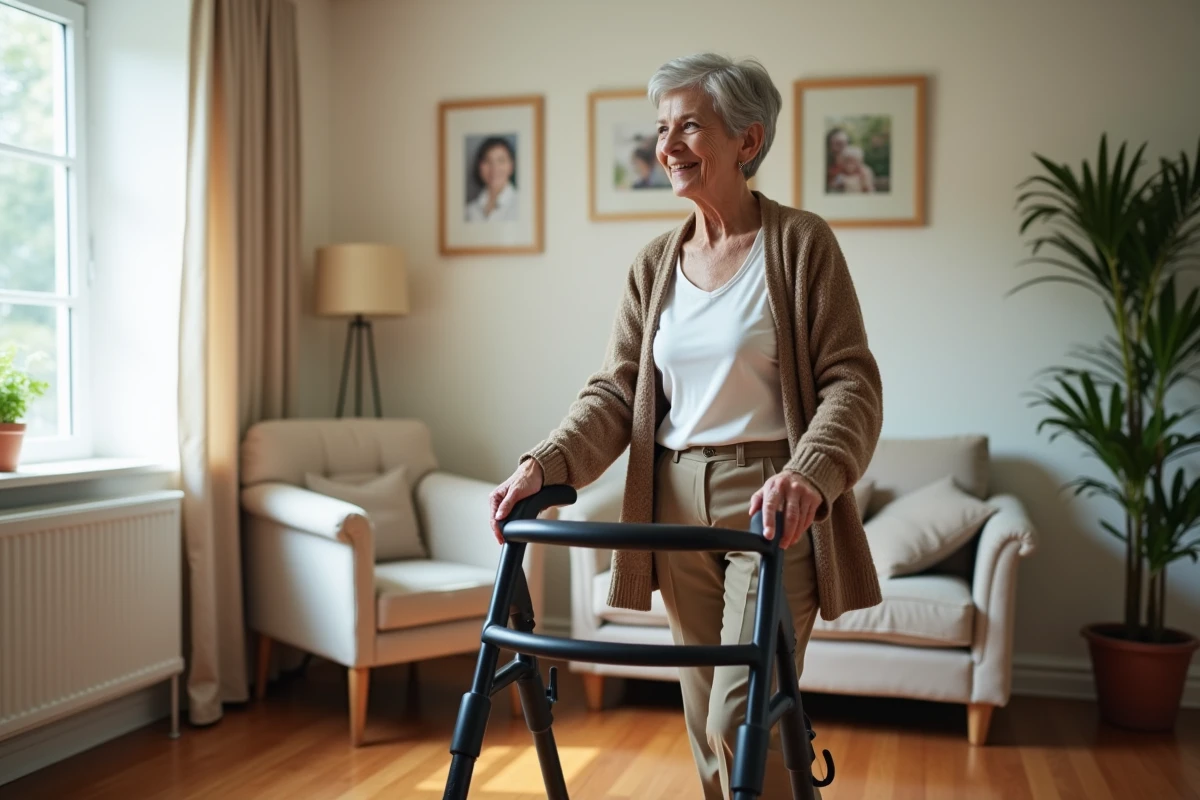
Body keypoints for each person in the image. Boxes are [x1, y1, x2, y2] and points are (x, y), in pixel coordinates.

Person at [490, 52, 883, 800]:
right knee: (707, 717)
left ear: (746, 139)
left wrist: (810, 472)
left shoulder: (800, 246)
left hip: (774, 498)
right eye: (661, 128)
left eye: (689, 126)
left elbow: (852, 385)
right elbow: (616, 394)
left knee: (740, 714)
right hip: (671, 501)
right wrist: (543, 466)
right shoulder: (654, 265)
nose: (667, 145)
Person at [465, 136, 519, 222]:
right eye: (487, 161)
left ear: (511, 166)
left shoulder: (522, 205)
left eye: (501, 160)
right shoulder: (468, 211)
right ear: (479, 166)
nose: (494, 168)